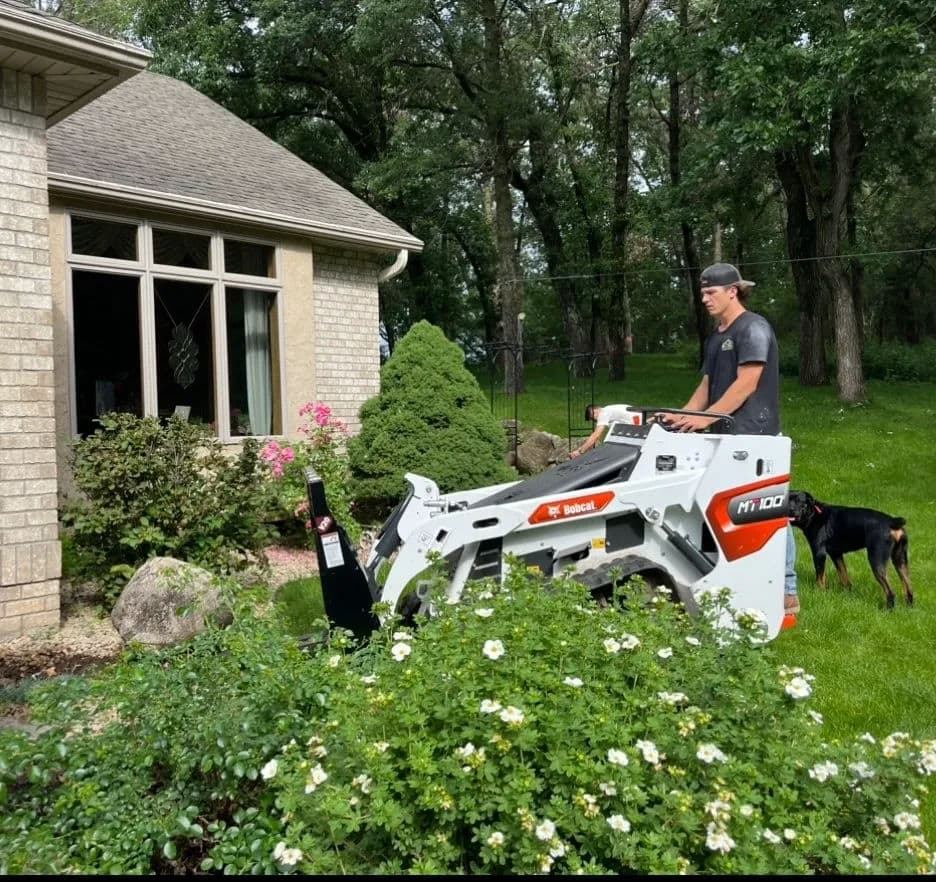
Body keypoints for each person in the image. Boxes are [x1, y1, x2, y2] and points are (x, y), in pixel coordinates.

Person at [662, 262, 799, 615]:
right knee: (720, 508)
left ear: (732, 291)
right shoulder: (716, 337)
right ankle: (728, 576)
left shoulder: (754, 328)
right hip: (724, 434)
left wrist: (704, 419)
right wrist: (681, 417)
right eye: (703, 293)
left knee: (769, 510)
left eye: (711, 293)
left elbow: (746, 384)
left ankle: (787, 589)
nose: (704, 299)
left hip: (755, 435)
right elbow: (705, 388)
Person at [570, 404, 636, 458]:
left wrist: (580, 451)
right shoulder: (609, 410)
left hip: (636, 424)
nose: (595, 421)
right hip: (637, 420)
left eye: (593, 419)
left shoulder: (603, 413)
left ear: (594, 411)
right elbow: (598, 437)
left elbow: (596, 435)